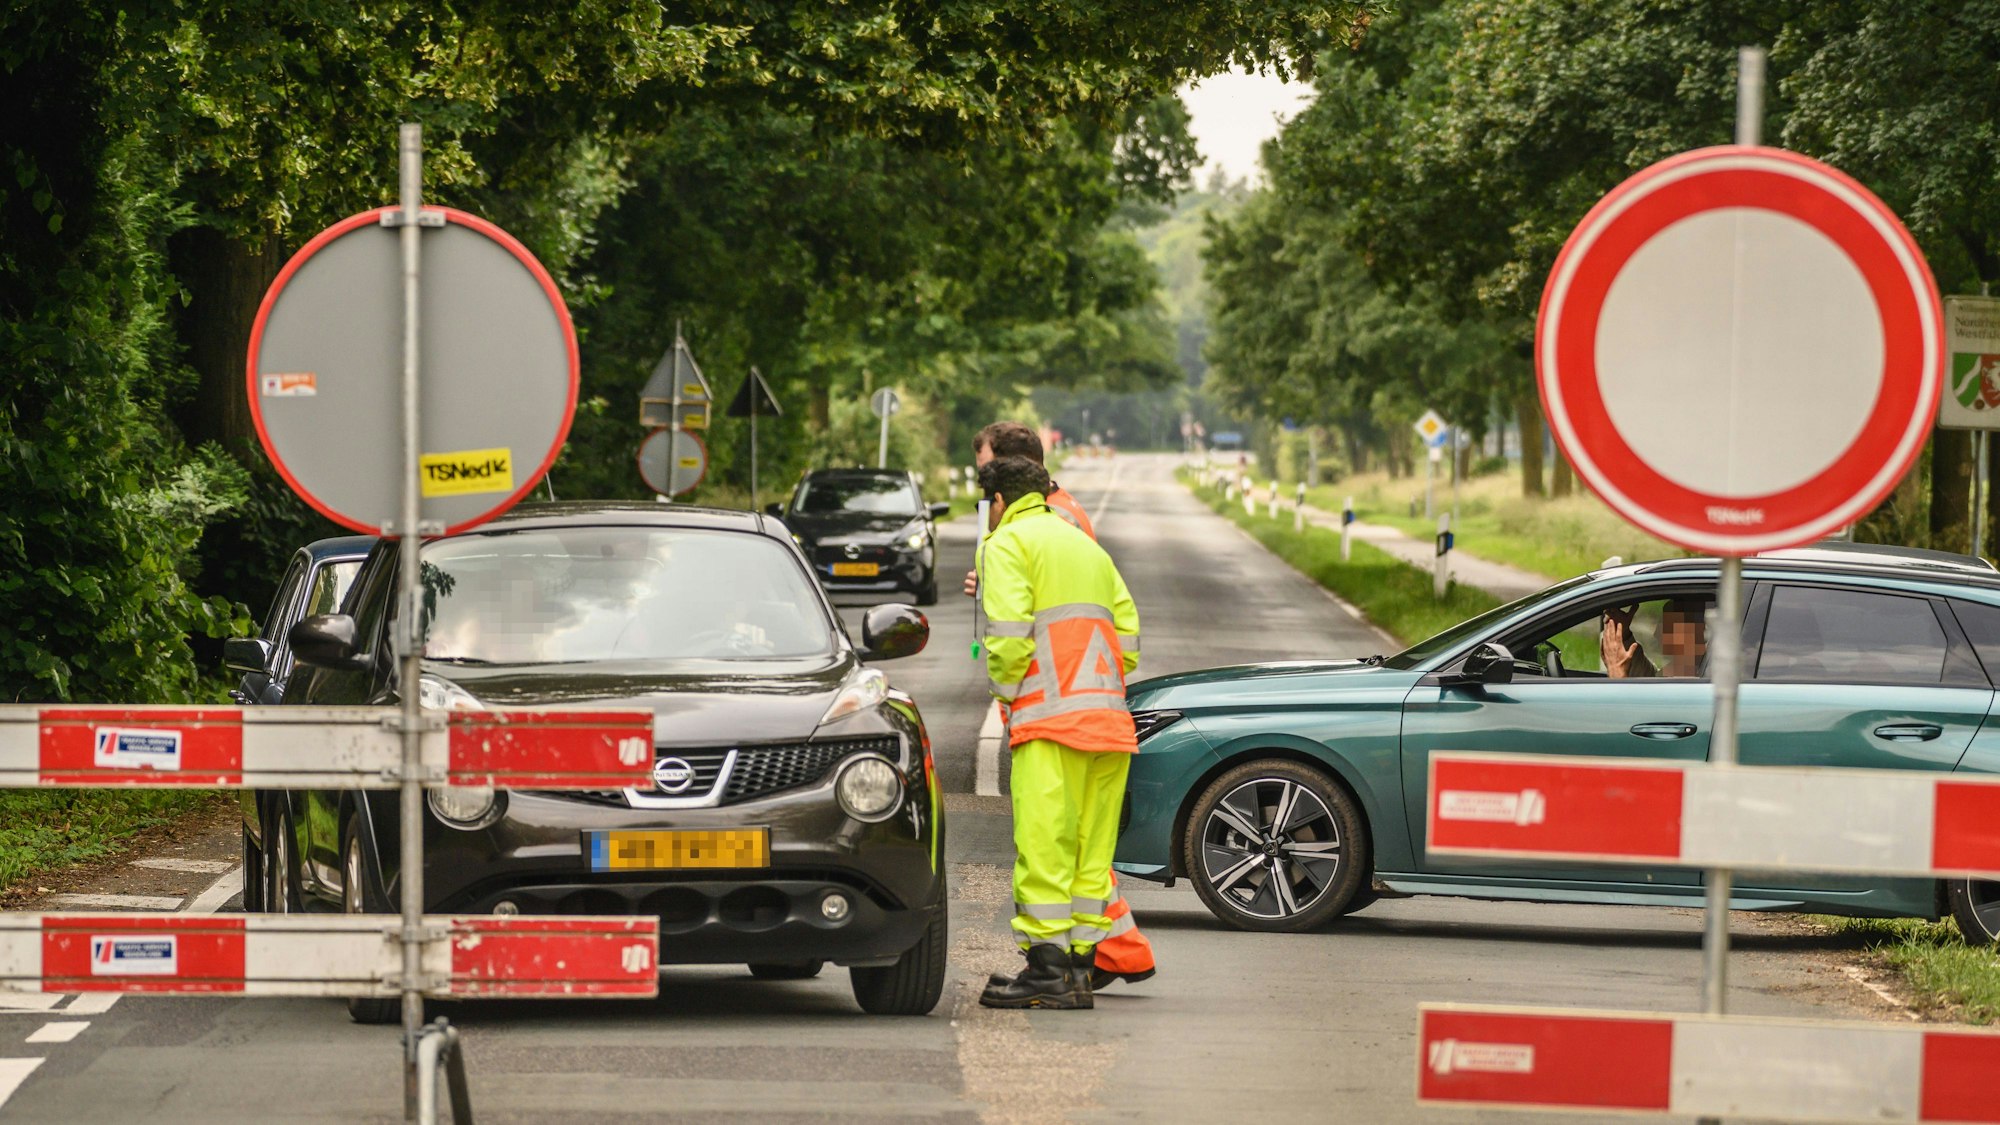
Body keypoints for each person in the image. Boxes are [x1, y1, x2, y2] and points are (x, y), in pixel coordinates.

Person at [964, 421, 1158, 991]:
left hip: (1049, 726)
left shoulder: (1007, 544)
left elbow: (1008, 640)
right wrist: (1094, 684)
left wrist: (1008, 697)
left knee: (1045, 850)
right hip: (1109, 726)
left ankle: (1045, 972)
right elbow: (1128, 636)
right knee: (1088, 861)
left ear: (999, 501)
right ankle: (1076, 969)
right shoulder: (1083, 544)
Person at [1601, 597, 1709, 678]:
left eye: (1667, 626)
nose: (1657, 634)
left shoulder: (1693, 683)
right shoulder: (1687, 669)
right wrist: (1624, 634)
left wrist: (1617, 676)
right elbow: (1650, 678)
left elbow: (1640, 706)